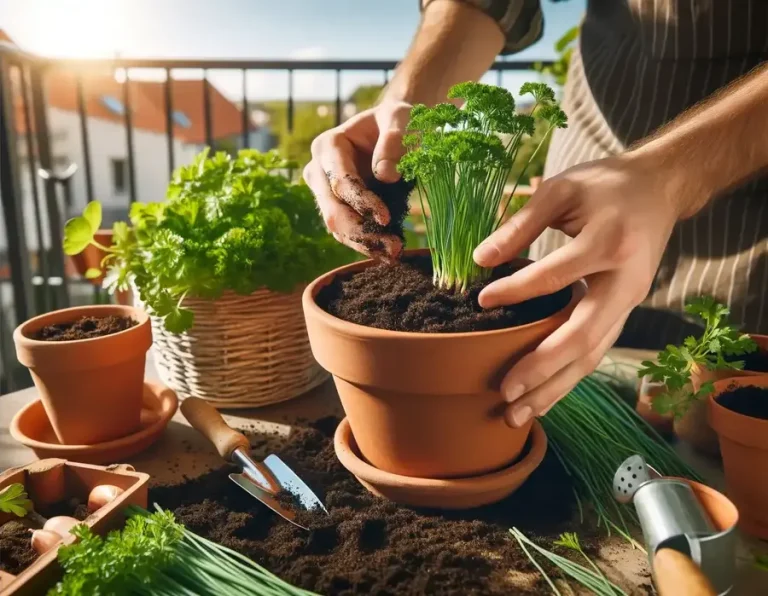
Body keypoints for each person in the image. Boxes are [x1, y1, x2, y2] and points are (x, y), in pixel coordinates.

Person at [304, 0, 768, 427]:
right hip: (581, 193)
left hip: (741, 228)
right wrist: (406, 105)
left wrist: (671, 176)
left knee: (711, 429)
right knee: (548, 381)